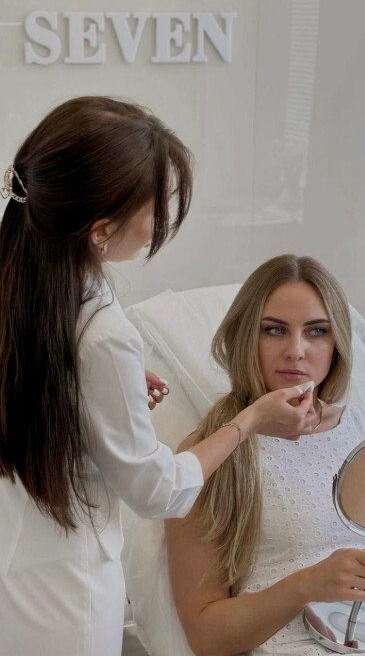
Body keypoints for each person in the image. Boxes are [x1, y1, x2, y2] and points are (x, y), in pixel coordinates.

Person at [0, 99, 317, 656]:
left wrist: (96, 385)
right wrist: (248, 423)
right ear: (101, 229)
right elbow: (156, 491)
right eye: (157, 206)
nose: (160, 225)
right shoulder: (103, 333)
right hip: (70, 608)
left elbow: (33, 374)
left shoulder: (20, 285)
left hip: (16, 575)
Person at [166, 254, 365, 656]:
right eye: (274, 330)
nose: (296, 350)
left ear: (337, 345)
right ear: (246, 338)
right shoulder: (211, 454)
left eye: (317, 331)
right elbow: (206, 636)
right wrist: (306, 585)